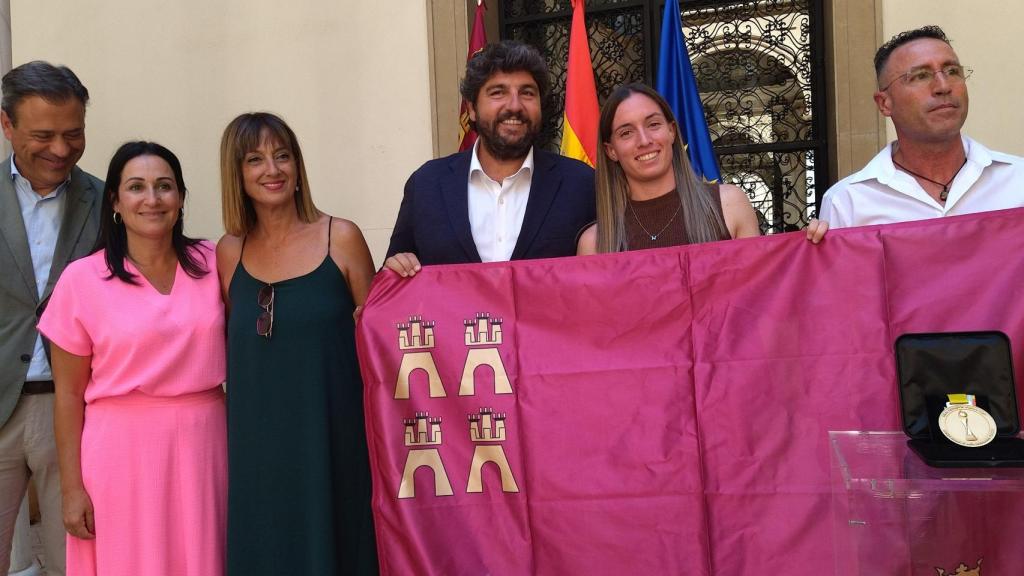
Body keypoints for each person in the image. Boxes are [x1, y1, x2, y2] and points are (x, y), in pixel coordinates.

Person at [37, 142, 227, 576]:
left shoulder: (216, 261)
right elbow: (67, 395)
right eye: (136, 187)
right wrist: (71, 489)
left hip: (206, 443)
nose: (152, 199)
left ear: (180, 197)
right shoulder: (82, 280)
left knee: (205, 557)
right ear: (116, 202)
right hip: (120, 452)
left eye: (165, 187)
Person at [216, 112, 378, 575]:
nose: (273, 169)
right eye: (256, 159)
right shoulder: (228, 253)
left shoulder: (340, 238)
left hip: (333, 436)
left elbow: (376, 337)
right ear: (237, 173)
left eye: (282, 155)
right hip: (258, 446)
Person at [0, 61, 100, 576]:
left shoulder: (111, 204)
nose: (61, 150)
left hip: (78, 414)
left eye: (74, 133)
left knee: (76, 560)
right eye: (43, 135)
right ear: (6, 125)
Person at [385, 40, 595, 276]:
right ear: (472, 109)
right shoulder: (426, 184)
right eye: (498, 92)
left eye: (527, 93)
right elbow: (392, 283)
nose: (514, 106)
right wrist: (398, 267)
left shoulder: (582, 183)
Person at [820, 25, 1024, 227]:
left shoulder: (1017, 180)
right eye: (921, 76)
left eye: (952, 71)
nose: (943, 87)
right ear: (884, 103)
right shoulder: (848, 203)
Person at [577, 83, 761, 254]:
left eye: (653, 124)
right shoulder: (594, 243)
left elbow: (759, 288)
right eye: (626, 133)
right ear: (611, 151)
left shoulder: (729, 206)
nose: (644, 141)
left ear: (672, 131)